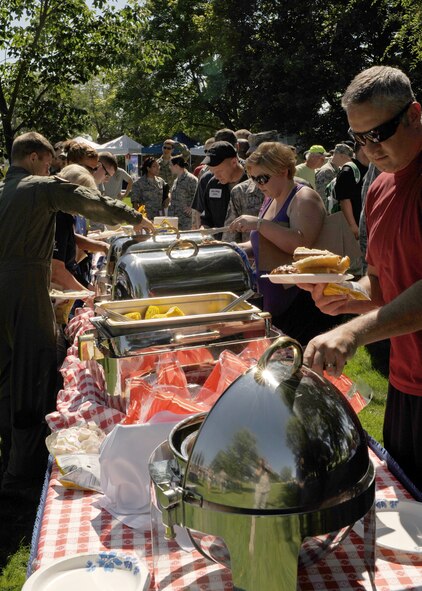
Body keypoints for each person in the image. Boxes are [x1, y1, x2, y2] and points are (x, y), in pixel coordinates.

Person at [0, 131, 153, 499]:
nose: (52, 166)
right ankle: (24, 471)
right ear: (35, 158)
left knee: (6, 375)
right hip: (23, 287)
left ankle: (10, 459)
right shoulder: (37, 186)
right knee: (33, 372)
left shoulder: (5, 188)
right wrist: (134, 218)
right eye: (49, 160)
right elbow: (83, 199)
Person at [301, 66, 422, 490]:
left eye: (379, 133)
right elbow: (382, 284)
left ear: (414, 114)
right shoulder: (379, 187)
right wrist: (343, 295)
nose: (370, 149)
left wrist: (352, 333)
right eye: (359, 138)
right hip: (406, 385)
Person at [229, 141, 336, 345]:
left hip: (302, 302)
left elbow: (299, 244)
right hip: (277, 301)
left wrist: (258, 224)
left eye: (262, 178)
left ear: (284, 171)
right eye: (253, 179)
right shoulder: (272, 198)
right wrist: (232, 250)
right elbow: (269, 244)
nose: (258, 185)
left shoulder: (303, 197)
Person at [200, 141, 248, 238]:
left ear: (234, 162)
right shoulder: (213, 184)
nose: (216, 176)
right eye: (213, 172)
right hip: (220, 246)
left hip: (248, 248)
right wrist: (205, 229)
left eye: (219, 171)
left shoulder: (253, 182)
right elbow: (207, 218)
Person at [334, 143, 369, 240]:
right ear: (363, 149)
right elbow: (344, 200)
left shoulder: (370, 169)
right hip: (357, 228)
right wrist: (352, 226)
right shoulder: (348, 171)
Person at [315, 143, 354, 207]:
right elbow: (323, 197)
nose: (349, 162)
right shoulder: (326, 171)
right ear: (342, 156)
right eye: (348, 159)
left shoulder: (337, 169)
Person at [168, 155, 198, 230]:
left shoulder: (191, 179)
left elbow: (198, 195)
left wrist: (191, 207)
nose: (170, 167)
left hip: (185, 219)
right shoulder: (176, 180)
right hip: (175, 218)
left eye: (171, 165)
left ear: (177, 166)